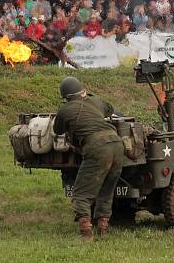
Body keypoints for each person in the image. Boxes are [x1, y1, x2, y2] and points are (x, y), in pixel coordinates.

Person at [53, 77, 124, 241]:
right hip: (117, 144)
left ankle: (86, 234)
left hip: (97, 147)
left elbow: (58, 130)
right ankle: (103, 229)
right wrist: (90, 97)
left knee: (81, 193)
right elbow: (110, 108)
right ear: (81, 90)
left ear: (65, 96)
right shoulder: (95, 101)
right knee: (106, 191)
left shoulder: (65, 109)